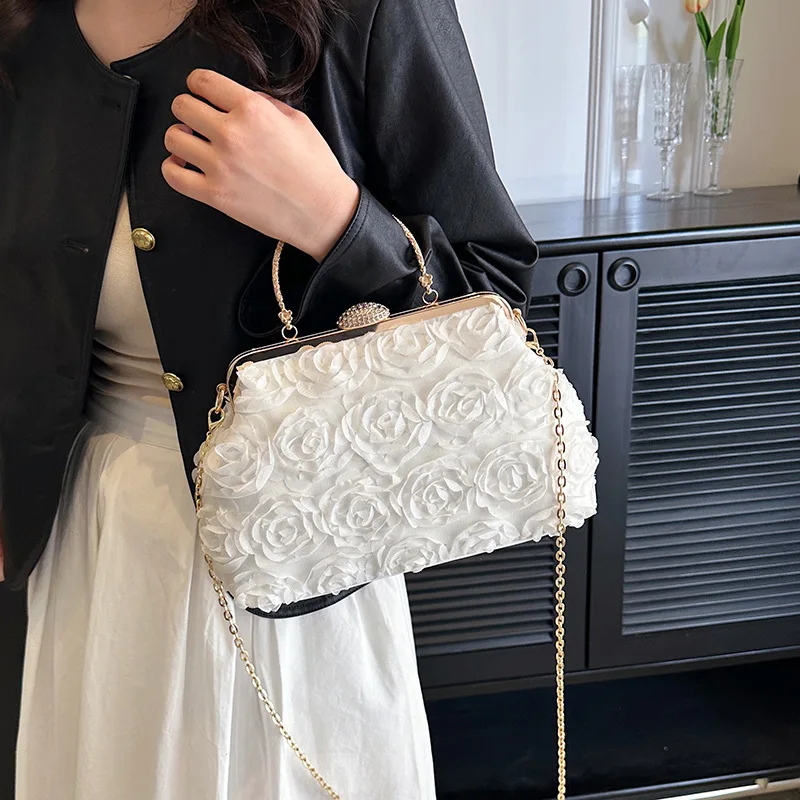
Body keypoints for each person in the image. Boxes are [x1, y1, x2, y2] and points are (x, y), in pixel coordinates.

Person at [0, 0, 538, 796]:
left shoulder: (362, 11)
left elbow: (493, 300)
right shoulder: (24, 22)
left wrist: (335, 219)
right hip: (84, 546)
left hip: (302, 555)